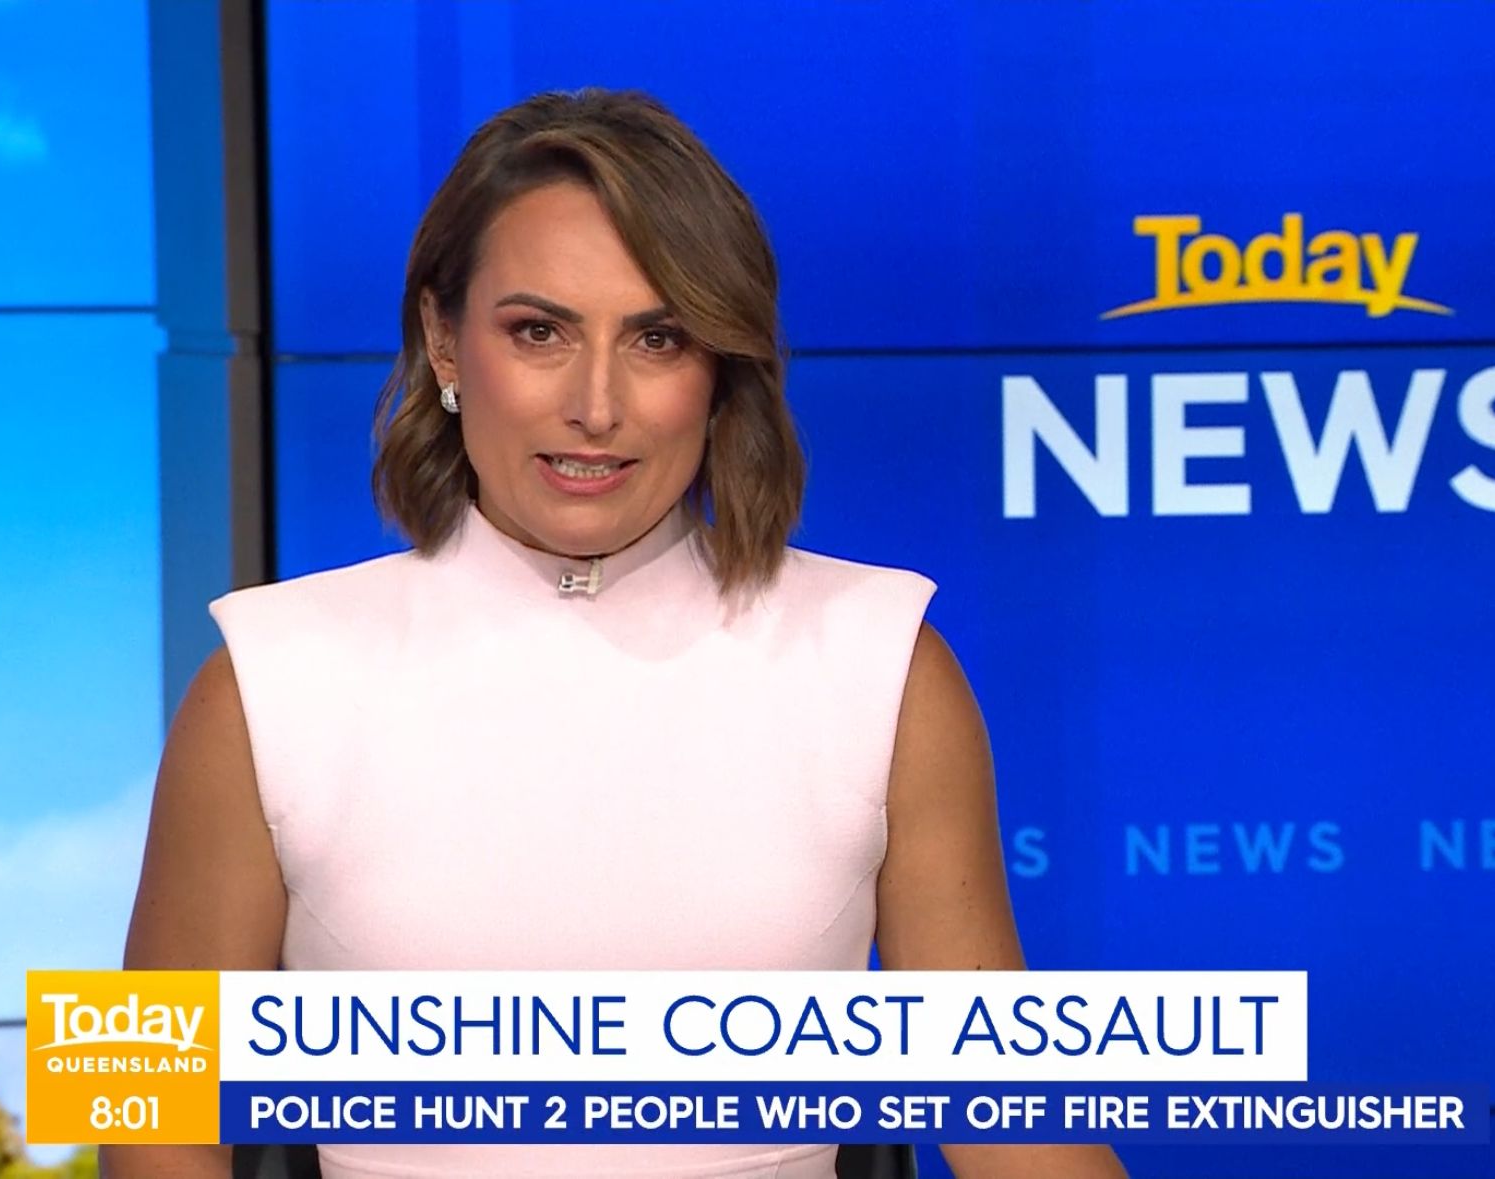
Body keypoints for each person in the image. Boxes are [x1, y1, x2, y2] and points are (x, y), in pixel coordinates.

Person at [108, 88, 1125, 1179]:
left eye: (657, 338)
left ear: (719, 366)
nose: (596, 406)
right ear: (444, 341)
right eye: (538, 332)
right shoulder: (269, 683)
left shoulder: (878, 666)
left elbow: (1020, 1131)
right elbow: (148, 1121)